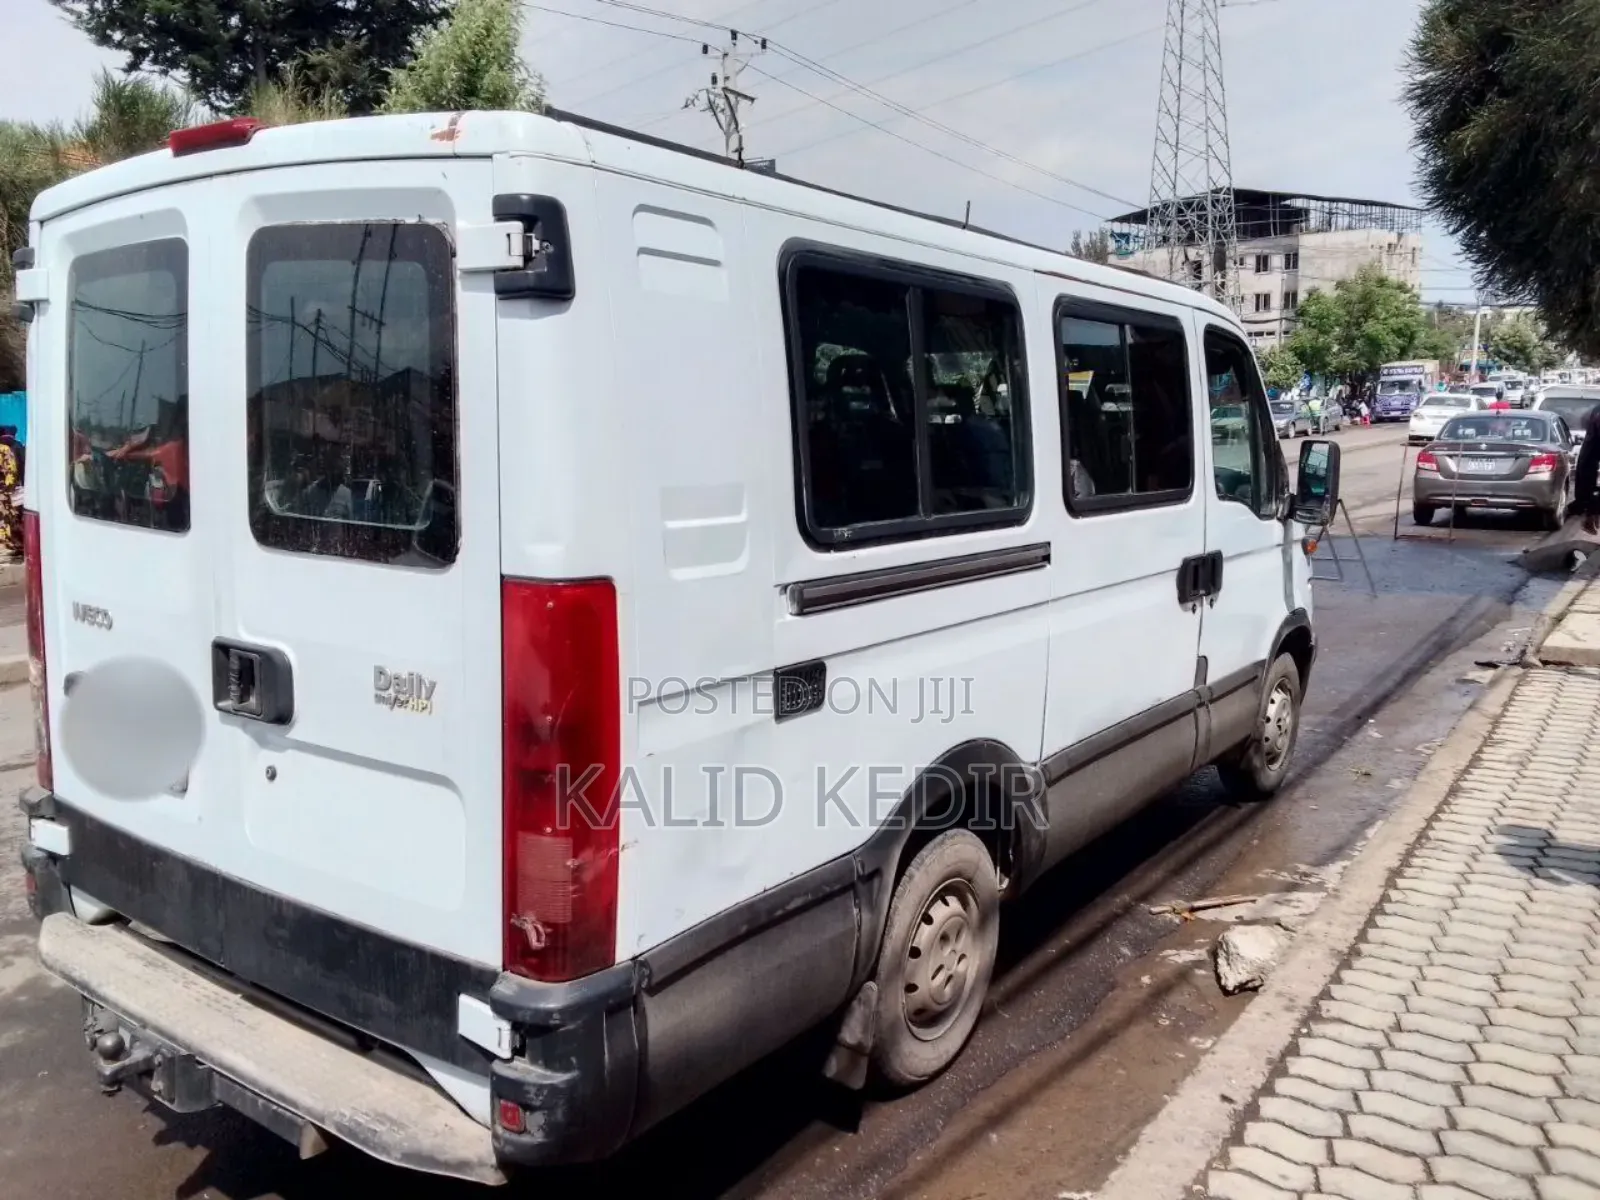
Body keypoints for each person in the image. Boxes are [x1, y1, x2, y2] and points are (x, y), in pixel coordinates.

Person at [1576, 405, 1600, 536]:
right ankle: (1591, 516)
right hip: (1590, 461)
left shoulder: (1596, 410)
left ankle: (1591, 516)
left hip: (1589, 459)